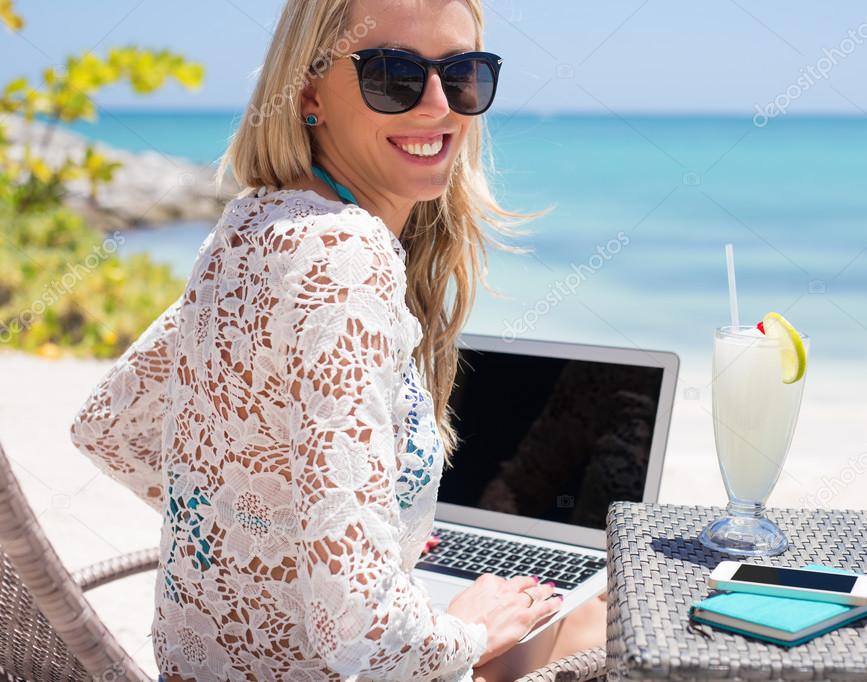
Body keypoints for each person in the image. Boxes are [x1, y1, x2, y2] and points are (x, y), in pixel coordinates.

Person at [69, 0, 605, 680]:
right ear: (309, 90)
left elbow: (110, 426)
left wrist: (298, 541)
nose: (438, 105)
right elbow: (362, 636)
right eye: (394, 74)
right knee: (612, 617)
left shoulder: (251, 223)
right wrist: (468, 629)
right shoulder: (344, 252)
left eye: (464, 74)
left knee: (585, 612)